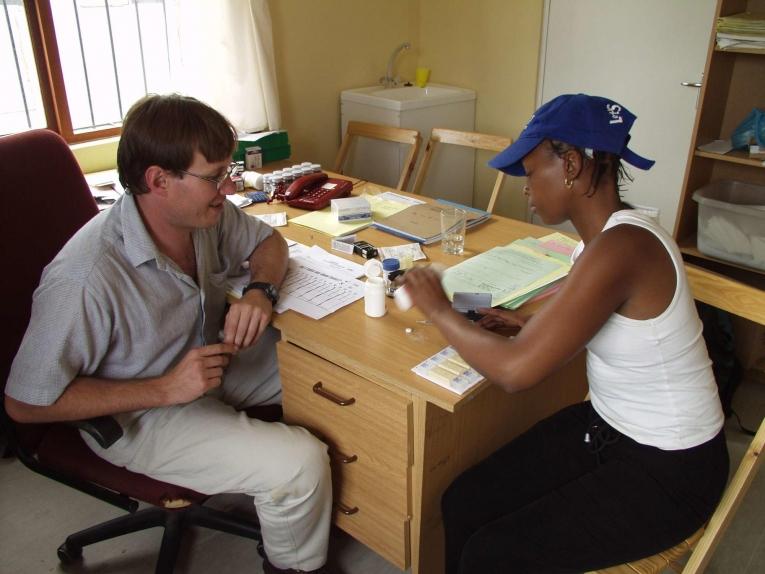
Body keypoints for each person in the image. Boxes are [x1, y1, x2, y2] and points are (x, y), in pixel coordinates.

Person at [401, 93, 729, 574]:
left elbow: (515, 372)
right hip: (612, 428)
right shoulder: (604, 241)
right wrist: (526, 321)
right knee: (464, 501)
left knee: (491, 554)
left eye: (531, 172)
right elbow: (590, 307)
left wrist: (439, 309)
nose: (525, 189)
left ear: (571, 164)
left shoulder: (623, 248)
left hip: (673, 467)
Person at [5, 94, 333, 574]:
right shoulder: (83, 278)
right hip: (137, 411)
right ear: (159, 180)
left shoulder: (199, 217)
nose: (229, 186)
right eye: (215, 176)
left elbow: (269, 241)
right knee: (299, 463)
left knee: (329, 373)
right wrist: (165, 388)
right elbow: (24, 404)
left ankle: (358, 513)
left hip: (205, 358)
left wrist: (260, 291)